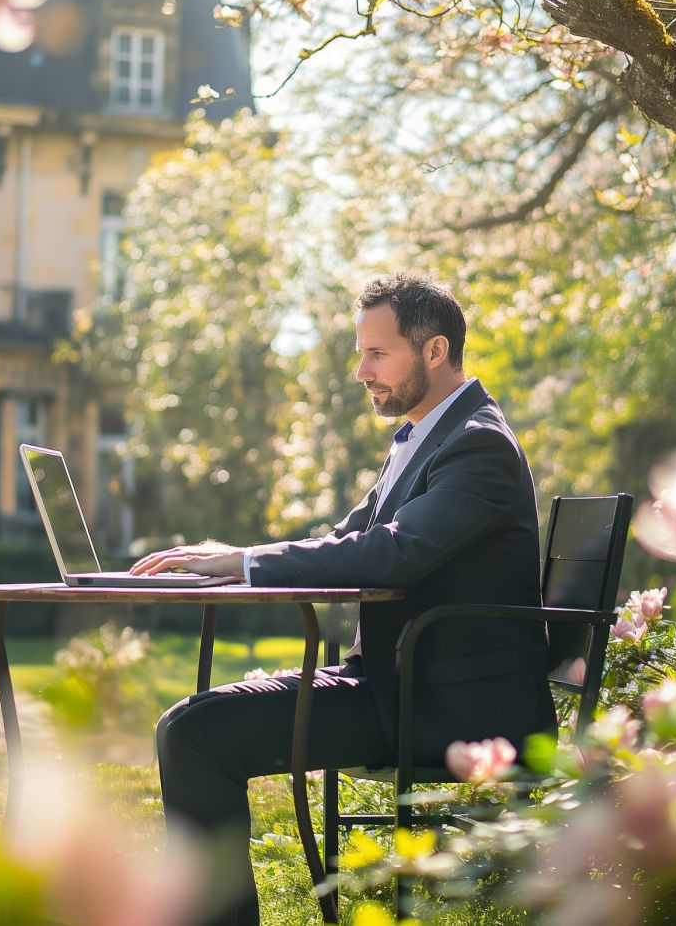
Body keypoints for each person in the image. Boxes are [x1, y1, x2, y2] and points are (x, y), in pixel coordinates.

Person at [133, 271, 555, 926]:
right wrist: (232, 559)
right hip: (395, 685)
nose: (361, 371)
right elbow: (347, 540)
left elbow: (393, 550)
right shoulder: (426, 438)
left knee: (193, 734)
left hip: (444, 707)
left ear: (434, 351)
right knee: (186, 725)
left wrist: (244, 563)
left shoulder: (478, 446)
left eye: (377, 353)